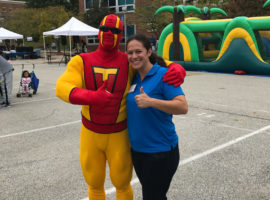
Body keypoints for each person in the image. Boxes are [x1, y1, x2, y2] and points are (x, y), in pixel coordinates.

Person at [56, 14, 186, 200]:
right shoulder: (81, 60)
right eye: (105, 30)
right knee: (94, 183)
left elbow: (154, 63)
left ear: (120, 34)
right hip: (91, 133)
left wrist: (175, 67)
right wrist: (93, 97)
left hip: (120, 134)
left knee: (122, 182)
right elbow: (62, 88)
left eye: (115, 30)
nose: (109, 33)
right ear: (98, 31)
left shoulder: (128, 61)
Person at [126, 34, 188, 200]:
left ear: (148, 51)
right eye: (130, 53)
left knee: (152, 196)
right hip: (138, 152)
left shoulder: (164, 75)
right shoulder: (133, 77)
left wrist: (151, 101)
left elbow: (182, 107)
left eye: (138, 51)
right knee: (155, 195)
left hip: (160, 152)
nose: (134, 56)